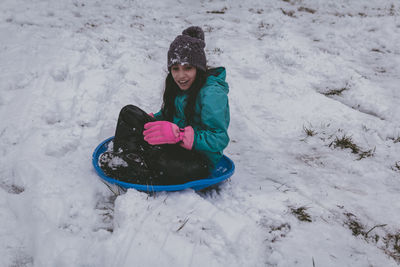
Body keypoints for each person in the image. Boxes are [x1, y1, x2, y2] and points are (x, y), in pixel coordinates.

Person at [99, 26, 230, 185]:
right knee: (129, 113)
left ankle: (137, 168)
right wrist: (152, 119)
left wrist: (181, 135)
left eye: (187, 68)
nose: (181, 76)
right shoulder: (179, 86)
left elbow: (219, 138)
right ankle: (125, 159)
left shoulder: (212, 94)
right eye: (175, 69)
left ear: (198, 68)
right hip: (173, 144)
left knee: (162, 163)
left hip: (198, 158)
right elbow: (171, 114)